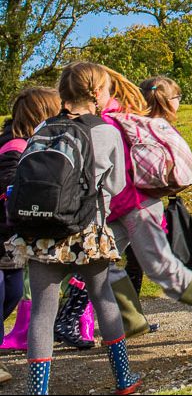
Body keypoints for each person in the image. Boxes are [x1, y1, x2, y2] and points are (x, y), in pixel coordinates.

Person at [6, 62, 141, 395]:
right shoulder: (107, 131)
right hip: (86, 232)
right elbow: (117, 184)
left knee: (42, 310)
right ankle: (123, 378)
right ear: (96, 93)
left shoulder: (43, 127)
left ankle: (37, 391)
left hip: (42, 232)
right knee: (102, 297)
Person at [102, 73, 192, 342]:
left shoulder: (113, 120)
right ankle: (131, 320)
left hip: (138, 204)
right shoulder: (112, 119)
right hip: (119, 206)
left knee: (160, 268)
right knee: (97, 262)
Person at [0, 88, 63, 380]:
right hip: (3, 234)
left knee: (11, 293)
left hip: (10, 239)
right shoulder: (14, 147)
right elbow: (9, 187)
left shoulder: (27, 145)